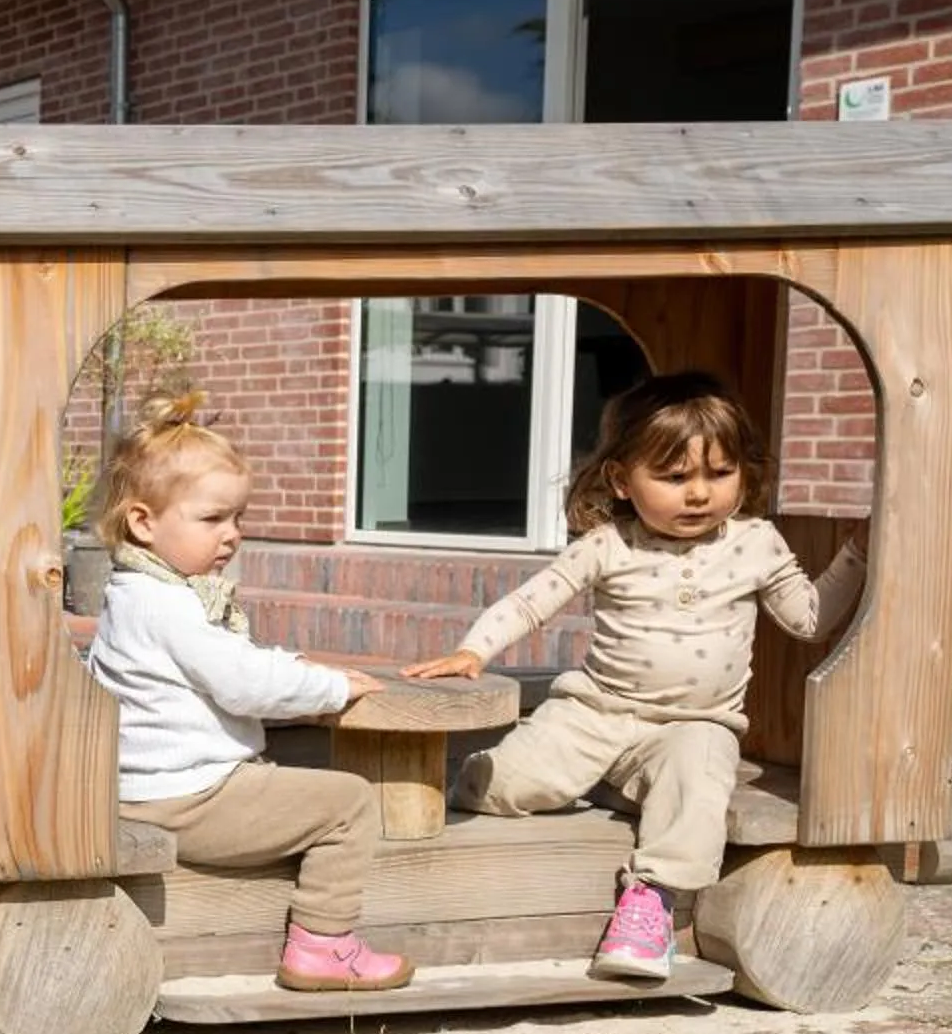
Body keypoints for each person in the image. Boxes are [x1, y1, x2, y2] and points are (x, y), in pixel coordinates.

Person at [407, 371, 865, 981]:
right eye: (675, 478)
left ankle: (650, 905)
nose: (698, 494)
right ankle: (488, 777)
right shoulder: (607, 545)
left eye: (719, 473)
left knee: (701, 770)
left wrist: (861, 554)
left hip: (691, 725)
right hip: (595, 712)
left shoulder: (756, 543)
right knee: (505, 785)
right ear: (623, 480)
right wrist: (473, 651)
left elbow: (809, 619)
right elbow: (528, 603)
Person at [85, 395, 408, 992]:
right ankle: (324, 944)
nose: (232, 535)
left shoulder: (138, 591)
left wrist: (292, 664)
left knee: (298, 776)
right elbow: (242, 683)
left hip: (150, 788)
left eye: (237, 518)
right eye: (212, 520)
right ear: (143, 522)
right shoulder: (168, 604)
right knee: (349, 802)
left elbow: (227, 662)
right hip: (187, 797)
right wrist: (330, 687)